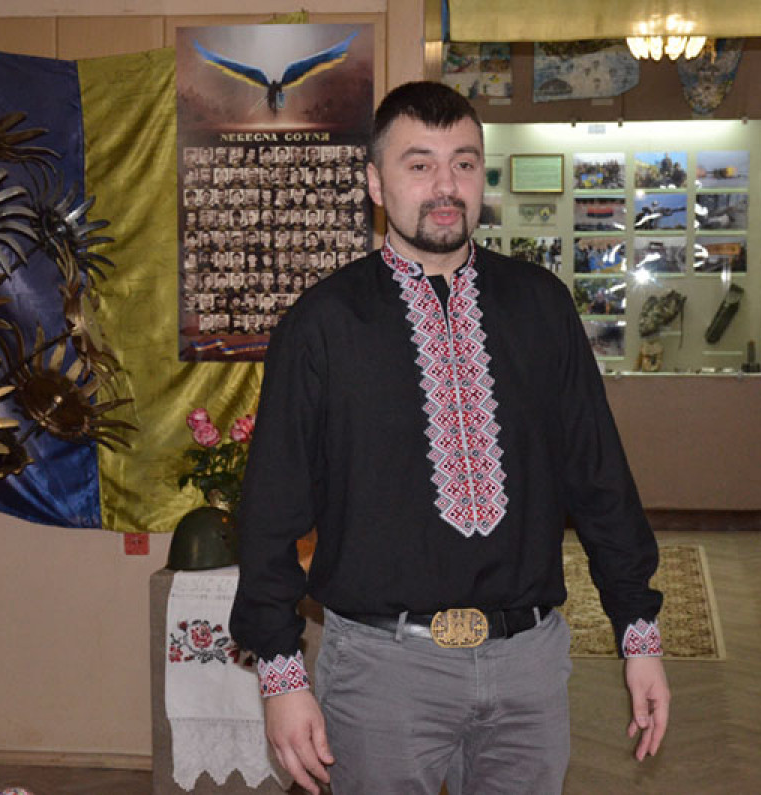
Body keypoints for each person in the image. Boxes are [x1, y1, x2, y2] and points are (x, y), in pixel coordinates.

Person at [230, 81, 669, 795]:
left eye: (463, 163)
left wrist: (638, 634)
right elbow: (271, 510)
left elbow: (600, 480)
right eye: (419, 164)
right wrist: (282, 675)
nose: (445, 185)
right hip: (381, 672)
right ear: (376, 183)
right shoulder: (323, 324)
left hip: (528, 668)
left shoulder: (541, 306)